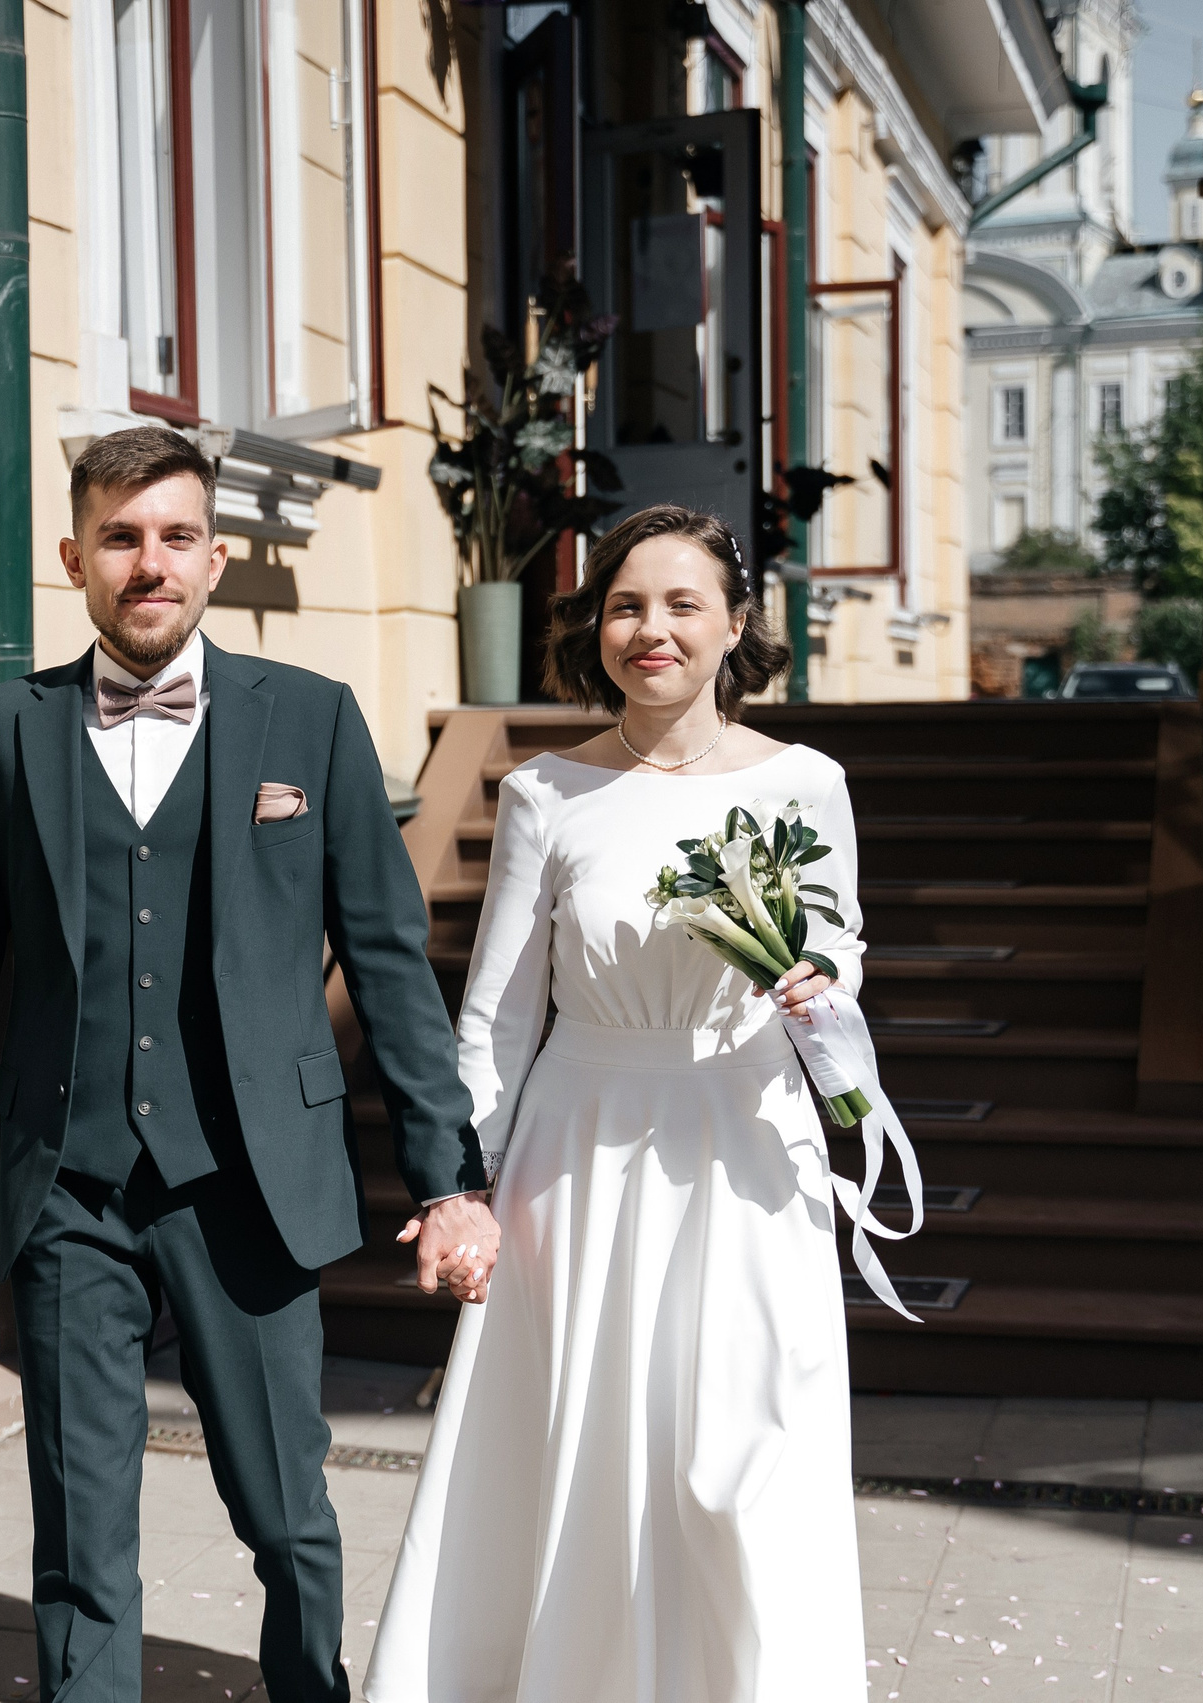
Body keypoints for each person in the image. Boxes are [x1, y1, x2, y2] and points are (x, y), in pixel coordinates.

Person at [0, 425, 500, 1703]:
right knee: (81, 1529)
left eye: (173, 536)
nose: (147, 563)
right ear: (75, 557)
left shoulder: (314, 722)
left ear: (217, 557)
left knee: (284, 1514)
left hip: (250, 1183)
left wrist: (447, 1176)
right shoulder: (4, 731)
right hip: (70, 1187)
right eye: (119, 538)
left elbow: (388, 968)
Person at [366, 504, 910, 1702]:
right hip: (584, 1147)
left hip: (745, 1140)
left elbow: (843, 946)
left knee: (740, 1452)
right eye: (624, 603)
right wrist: (462, 1184)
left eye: (679, 603)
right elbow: (500, 1014)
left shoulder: (807, 782)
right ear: (594, 626)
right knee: (581, 1442)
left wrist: (823, 983)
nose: (649, 628)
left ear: (733, 625)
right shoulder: (545, 792)